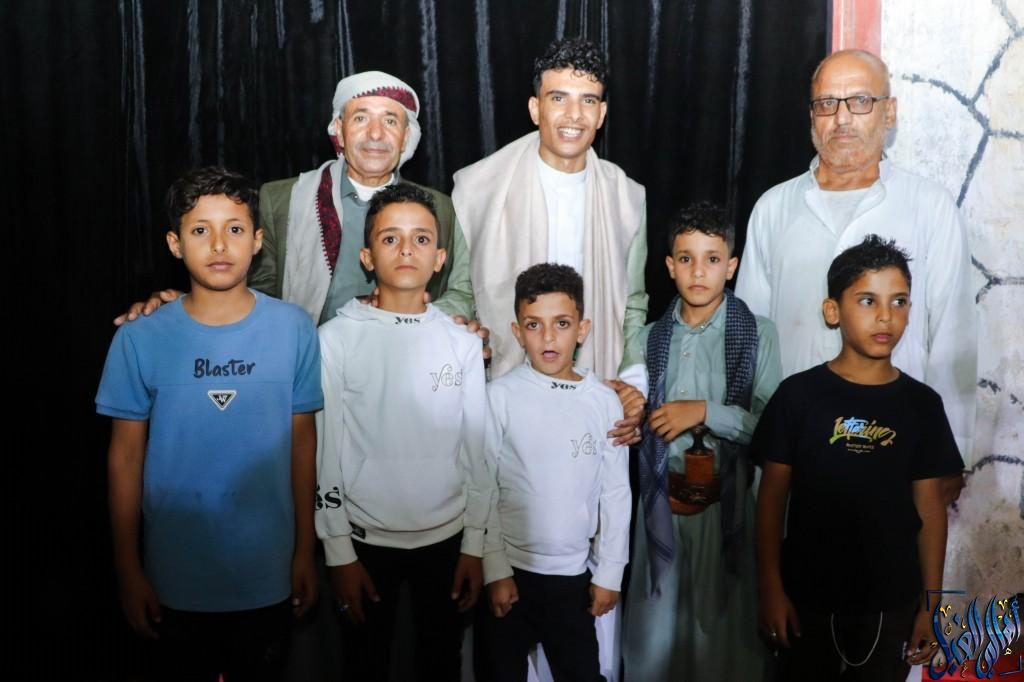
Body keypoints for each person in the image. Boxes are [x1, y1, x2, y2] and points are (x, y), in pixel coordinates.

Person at [97, 167, 323, 680]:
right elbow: (124, 458)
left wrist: (304, 552)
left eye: (235, 228)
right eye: (201, 230)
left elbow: (303, 445)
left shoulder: (294, 329)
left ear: (258, 240)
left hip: (267, 572)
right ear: (175, 244)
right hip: (173, 576)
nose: (219, 244)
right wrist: (128, 569)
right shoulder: (138, 338)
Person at [735, 49, 975, 486]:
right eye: (827, 103)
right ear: (812, 116)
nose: (842, 118)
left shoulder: (929, 207)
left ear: (889, 112)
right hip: (791, 454)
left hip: (899, 451)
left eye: (860, 101)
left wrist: (950, 455)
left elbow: (952, 337)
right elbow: (750, 340)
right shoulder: (773, 208)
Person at [753, 235, 963, 681]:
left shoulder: (922, 405)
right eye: (868, 300)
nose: (885, 315)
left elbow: (930, 511)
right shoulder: (798, 396)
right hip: (805, 597)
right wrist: (771, 588)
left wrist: (931, 606)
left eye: (898, 301)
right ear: (833, 311)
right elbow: (770, 500)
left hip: (891, 603)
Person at [116, 70, 475, 325]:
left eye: (391, 121)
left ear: (406, 137)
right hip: (304, 370)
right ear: (339, 131)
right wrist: (188, 306)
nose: (376, 134)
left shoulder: (440, 208)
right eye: (361, 119)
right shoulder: (281, 200)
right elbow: (247, 290)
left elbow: (461, 292)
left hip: (405, 367)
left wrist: (424, 323)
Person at [315, 183, 490, 681]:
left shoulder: (461, 344)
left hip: (448, 540)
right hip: (364, 542)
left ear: (440, 258)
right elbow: (325, 454)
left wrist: (475, 545)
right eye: (391, 239)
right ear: (368, 257)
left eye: (421, 239)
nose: (406, 250)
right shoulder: (334, 340)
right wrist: (339, 553)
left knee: (440, 664)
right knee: (364, 665)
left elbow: (477, 454)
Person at [452, 36, 647, 443]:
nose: (574, 115)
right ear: (535, 108)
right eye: (558, 98)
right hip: (502, 395)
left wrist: (633, 387)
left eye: (588, 101)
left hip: (594, 389)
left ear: (602, 113)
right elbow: (461, 293)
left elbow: (632, 304)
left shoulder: (627, 197)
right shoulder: (478, 188)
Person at [622, 202, 781, 681]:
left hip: (726, 508)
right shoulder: (648, 338)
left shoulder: (758, 334)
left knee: (723, 650)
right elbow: (632, 417)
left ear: (731, 267)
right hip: (659, 506)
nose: (698, 271)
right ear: (669, 266)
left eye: (712, 259)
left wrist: (706, 412)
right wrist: (626, 415)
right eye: (686, 258)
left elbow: (771, 430)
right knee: (653, 647)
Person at [477, 263, 631, 682]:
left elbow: (616, 494)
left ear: (582, 329)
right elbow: (483, 487)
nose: (548, 337)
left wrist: (610, 572)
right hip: (510, 575)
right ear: (517, 331)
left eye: (561, 323)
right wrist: (495, 570)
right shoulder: (499, 397)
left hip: (573, 579)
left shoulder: (604, 402)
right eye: (534, 325)